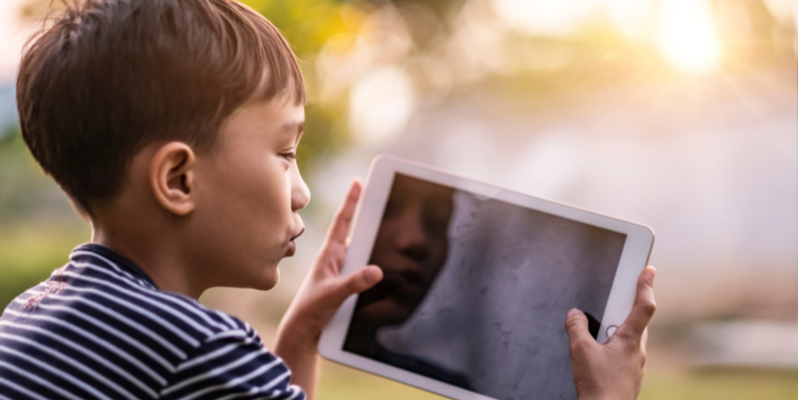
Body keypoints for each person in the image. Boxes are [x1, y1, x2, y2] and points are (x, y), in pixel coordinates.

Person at [0, 0, 657, 399]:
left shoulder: (36, 313)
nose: (302, 189)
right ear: (178, 180)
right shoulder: (201, 347)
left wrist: (301, 338)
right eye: (285, 153)